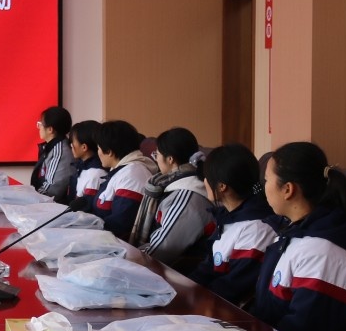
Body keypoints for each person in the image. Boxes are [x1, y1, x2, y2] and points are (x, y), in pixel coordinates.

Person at [249, 141, 346, 331]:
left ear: (288, 189)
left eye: (267, 180)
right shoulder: (293, 231)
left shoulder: (324, 254)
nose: (263, 186)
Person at [186, 143, 281, 305]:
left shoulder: (257, 228)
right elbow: (208, 268)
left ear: (222, 186)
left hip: (225, 310)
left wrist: (193, 301)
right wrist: (185, 289)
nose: (205, 182)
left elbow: (233, 287)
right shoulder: (228, 216)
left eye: (207, 177)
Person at [134, 126, 214, 264]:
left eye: (156, 154)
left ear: (170, 159)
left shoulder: (187, 195)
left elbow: (161, 249)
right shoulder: (173, 184)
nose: (155, 159)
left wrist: (129, 257)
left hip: (183, 269)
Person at [78, 120, 153, 241]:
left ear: (109, 151)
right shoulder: (119, 170)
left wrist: (83, 234)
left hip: (113, 245)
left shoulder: (132, 175)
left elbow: (120, 225)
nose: (98, 153)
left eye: (98, 148)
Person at [30, 106, 75, 199]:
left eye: (40, 124)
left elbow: (51, 189)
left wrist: (29, 198)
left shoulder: (60, 152)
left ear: (50, 129)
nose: (39, 127)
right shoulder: (51, 147)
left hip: (53, 204)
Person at [67, 119, 104, 204]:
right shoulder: (82, 167)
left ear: (84, 147)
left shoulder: (96, 173)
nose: (71, 146)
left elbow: (85, 206)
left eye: (72, 143)